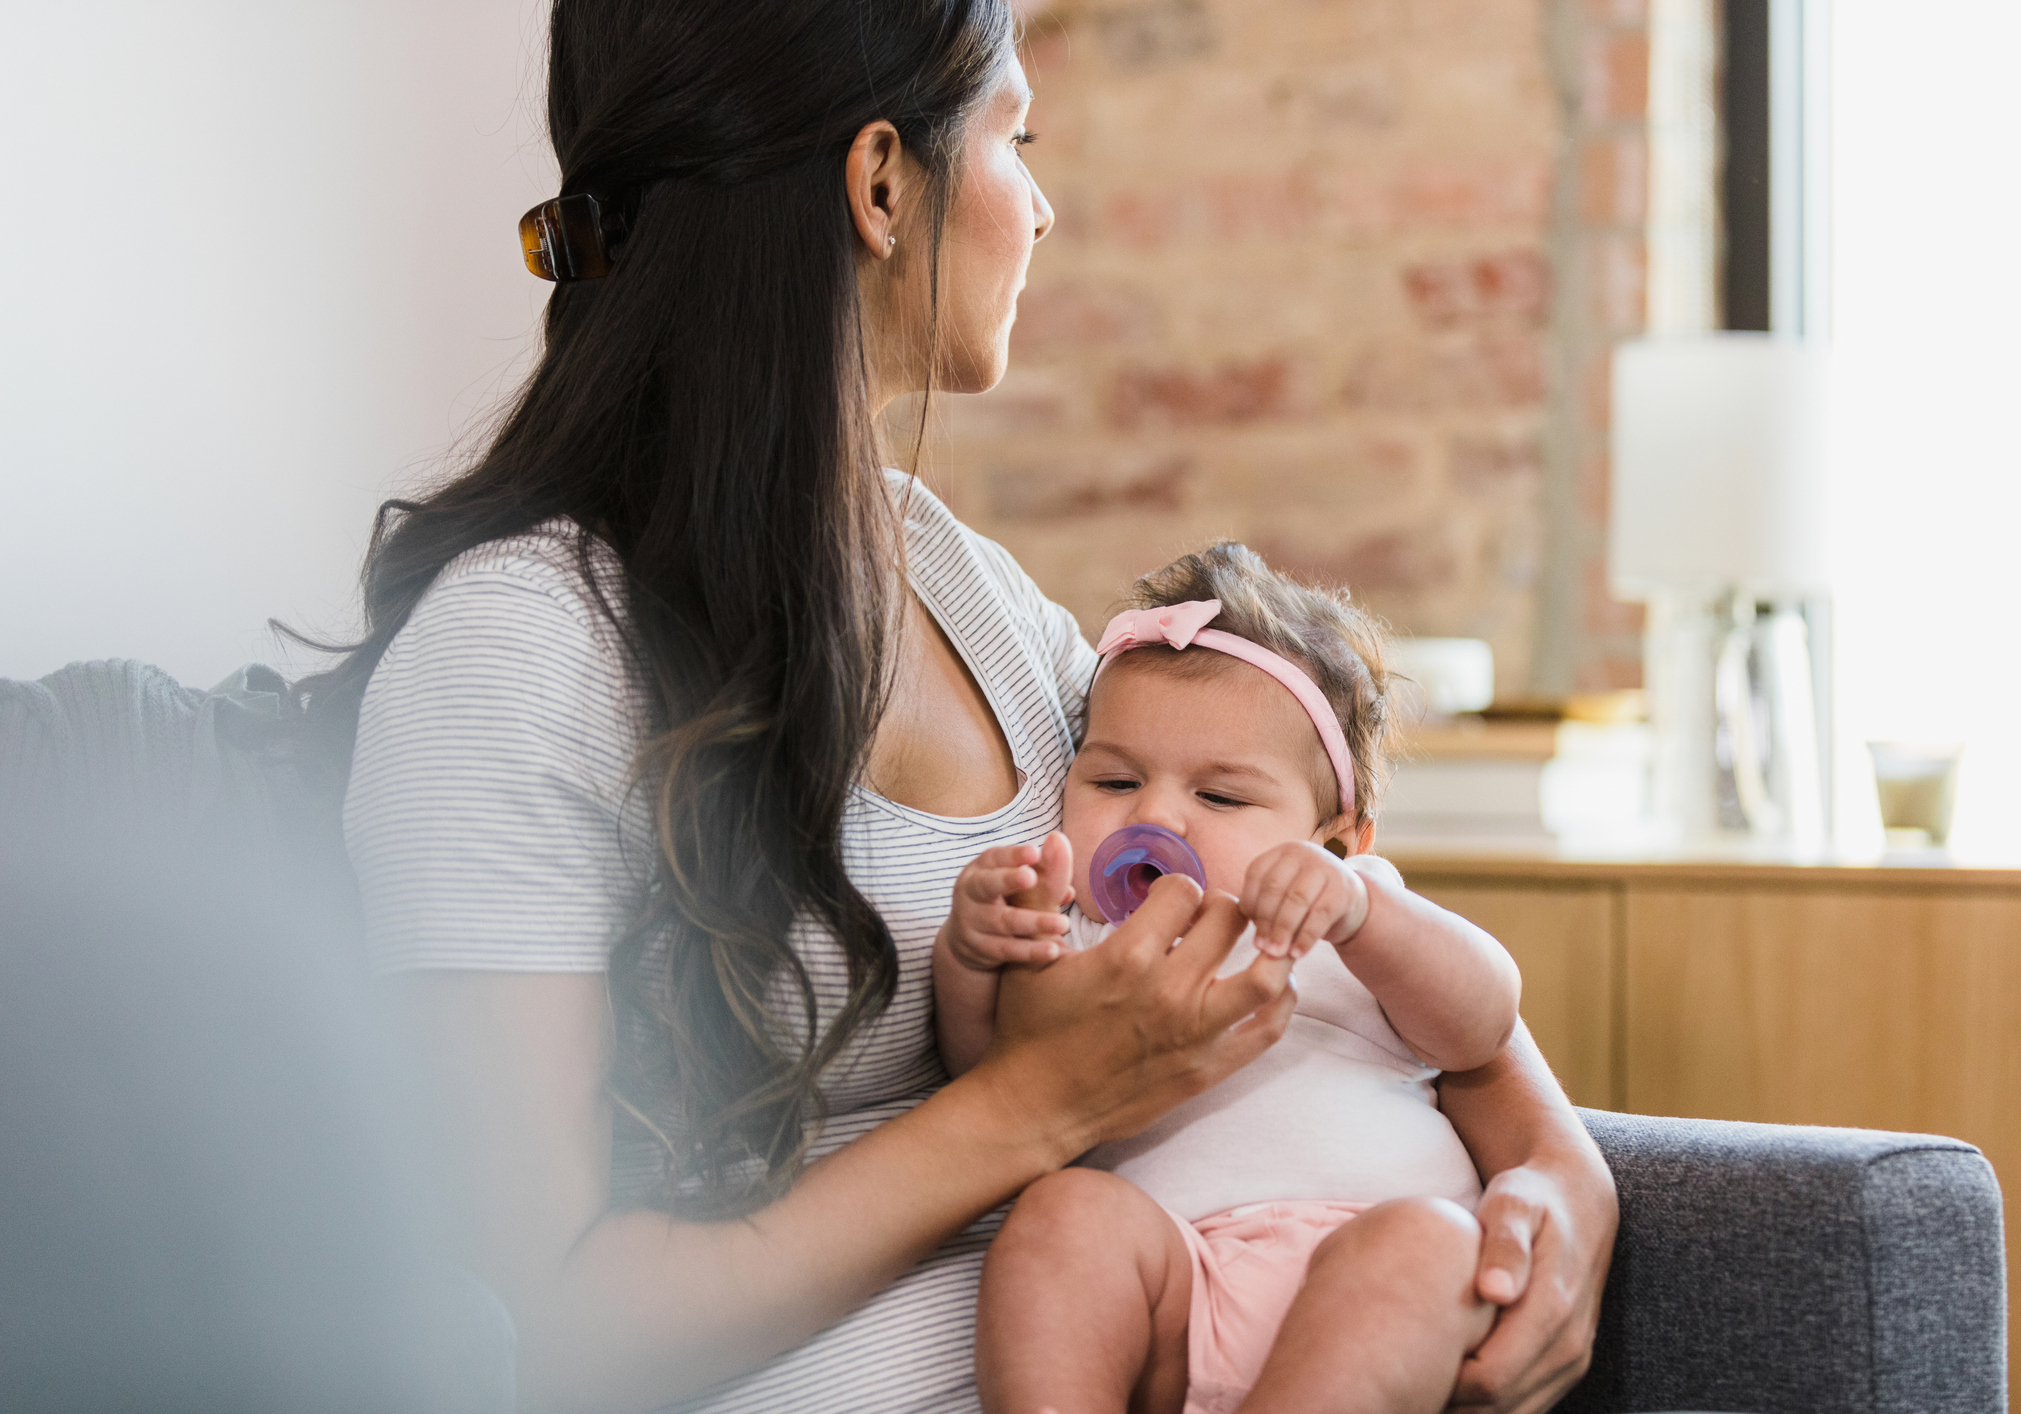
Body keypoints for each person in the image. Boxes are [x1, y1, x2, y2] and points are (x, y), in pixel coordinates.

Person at [303, 2, 1618, 1410]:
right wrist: (1041, 1101)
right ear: (881, 184)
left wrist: (1561, 1171)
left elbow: (1357, 961)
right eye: (1016, 136)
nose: (1040, 207)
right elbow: (547, 1326)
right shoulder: (520, 651)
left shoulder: (968, 590)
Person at [937, 546, 1523, 1414]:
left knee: (1430, 1242)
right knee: (1062, 1218)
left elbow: (1482, 1022)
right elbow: (986, 1070)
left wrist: (1365, 919)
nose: (1153, 815)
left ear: (1338, 836)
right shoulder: (1076, 927)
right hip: (1171, 1277)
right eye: (1115, 779)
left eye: (1220, 799)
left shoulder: (1355, 916)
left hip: (1359, 1272)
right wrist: (971, 954)